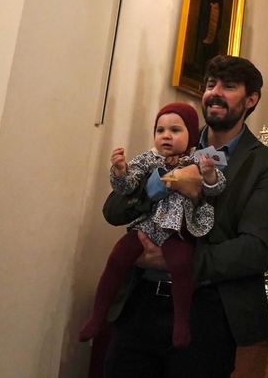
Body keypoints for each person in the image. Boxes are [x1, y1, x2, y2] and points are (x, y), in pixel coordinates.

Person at [99, 55, 268, 378]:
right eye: (211, 85)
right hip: (140, 304)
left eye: (229, 87)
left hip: (206, 311)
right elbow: (113, 211)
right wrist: (160, 184)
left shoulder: (263, 163)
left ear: (251, 99)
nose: (215, 93)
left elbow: (255, 249)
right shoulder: (174, 142)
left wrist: (178, 261)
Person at [80, 102, 225, 348]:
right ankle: (97, 316)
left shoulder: (203, 156)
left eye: (175, 130)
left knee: (180, 265)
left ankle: (181, 322)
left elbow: (217, 188)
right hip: (147, 225)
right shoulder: (148, 157)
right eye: (160, 130)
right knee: (117, 258)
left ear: (191, 133)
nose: (166, 136)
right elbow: (127, 189)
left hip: (178, 227)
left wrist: (209, 173)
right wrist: (119, 171)